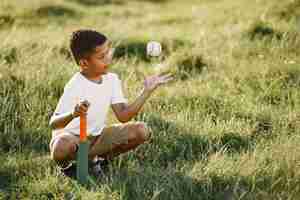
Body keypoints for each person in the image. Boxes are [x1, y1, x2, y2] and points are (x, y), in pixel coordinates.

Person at [48, 29, 173, 177]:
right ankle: (68, 168)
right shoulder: (75, 84)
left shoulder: (112, 80)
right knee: (62, 145)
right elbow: (54, 124)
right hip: (72, 138)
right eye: (102, 57)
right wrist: (73, 114)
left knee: (142, 130)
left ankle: (99, 160)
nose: (108, 59)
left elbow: (123, 116)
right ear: (84, 63)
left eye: (108, 53)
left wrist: (146, 91)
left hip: (96, 138)